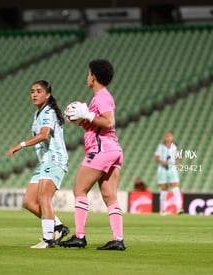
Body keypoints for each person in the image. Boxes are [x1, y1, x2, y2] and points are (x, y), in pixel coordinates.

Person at [58, 59, 126, 250]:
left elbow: (109, 122)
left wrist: (87, 115)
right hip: (113, 149)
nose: (87, 77)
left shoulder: (102, 96)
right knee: (110, 196)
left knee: (79, 190)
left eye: (89, 73)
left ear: (93, 77)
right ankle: (118, 240)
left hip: (101, 149)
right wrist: (78, 119)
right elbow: (96, 124)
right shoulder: (101, 97)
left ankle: (79, 236)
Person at [7, 80, 70, 248]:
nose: (34, 94)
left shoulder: (48, 112)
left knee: (43, 197)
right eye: (32, 91)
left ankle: (48, 239)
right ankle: (58, 227)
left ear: (47, 95)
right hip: (45, 161)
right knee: (29, 202)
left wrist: (20, 145)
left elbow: (43, 135)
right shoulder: (39, 113)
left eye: (39, 91)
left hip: (55, 159)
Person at [154, 132, 183, 215]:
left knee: (176, 188)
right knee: (164, 189)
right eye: (166, 136)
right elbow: (156, 158)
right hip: (162, 169)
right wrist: (163, 162)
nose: (168, 137)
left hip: (172, 168)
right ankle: (163, 210)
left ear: (172, 138)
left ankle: (179, 208)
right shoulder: (160, 147)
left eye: (169, 136)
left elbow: (176, 157)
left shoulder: (174, 147)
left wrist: (179, 164)